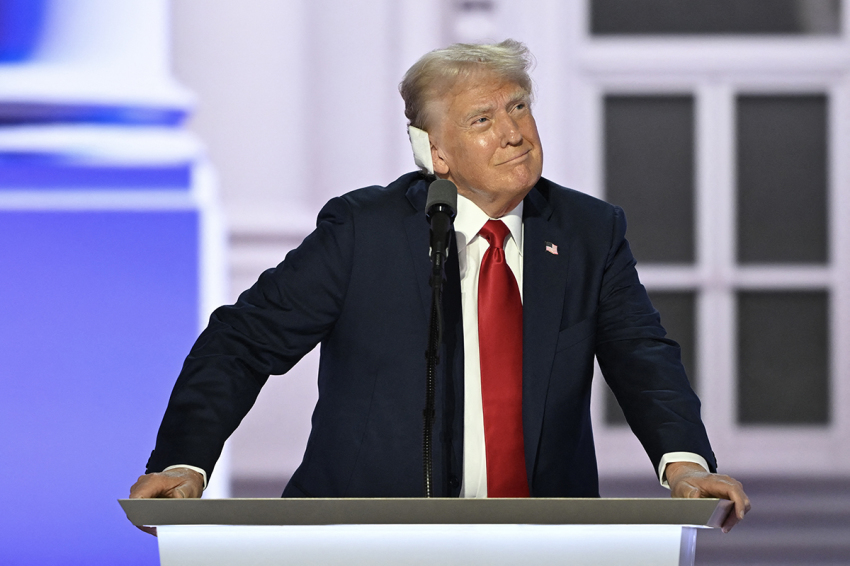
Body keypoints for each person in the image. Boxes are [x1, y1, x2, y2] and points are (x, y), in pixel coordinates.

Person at [131, 40, 750, 532]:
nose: (514, 131)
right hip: (365, 534)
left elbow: (644, 358)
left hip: (542, 537)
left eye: (518, 106)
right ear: (436, 154)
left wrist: (685, 464)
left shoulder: (588, 231)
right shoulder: (363, 232)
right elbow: (242, 341)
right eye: (483, 119)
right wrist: (185, 462)